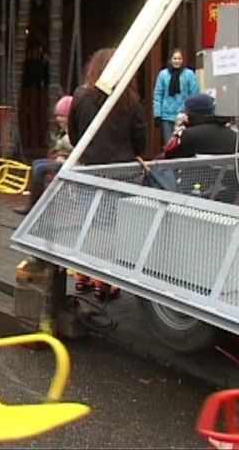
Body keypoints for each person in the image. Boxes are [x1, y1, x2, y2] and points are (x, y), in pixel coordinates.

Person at [68, 48, 147, 301]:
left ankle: (82, 277)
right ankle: (106, 281)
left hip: (90, 170)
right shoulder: (130, 100)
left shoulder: (80, 96)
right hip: (120, 173)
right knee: (113, 229)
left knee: (89, 225)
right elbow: (140, 139)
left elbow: (74, 135)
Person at [13, 96, 74, 215]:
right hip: (61, 159)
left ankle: (34, 205)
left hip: (68, 162)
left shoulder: (73, 131)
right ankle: (34, 202)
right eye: (58, 116)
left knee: (40, 168)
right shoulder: (63, 131)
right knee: (36, 163)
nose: (59, 119)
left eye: (63, 116)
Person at [163, 93, 239, 159]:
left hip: (195, 180)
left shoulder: (189, 135)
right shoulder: (233, 135)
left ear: (190, 115)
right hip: (229, 180)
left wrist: (177, 130)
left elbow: (168, 155)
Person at [153, 48, 199, 145]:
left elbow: (194, 95)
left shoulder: (189, 74)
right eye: (175, 58)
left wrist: (192, 113)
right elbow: (158, 95)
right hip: (167, 117)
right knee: (169, 145)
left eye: (179, 58)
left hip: (184, 117)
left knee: (184, 144)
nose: (177, 61)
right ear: (170, 60)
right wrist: (157, 114)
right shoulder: (163, 75)